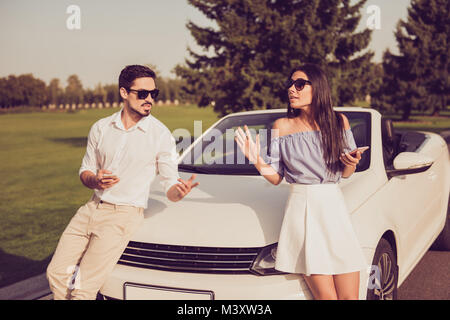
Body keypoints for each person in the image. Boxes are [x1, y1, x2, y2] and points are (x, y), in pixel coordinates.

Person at [46, 65, 199, 300]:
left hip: (122, 216)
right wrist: (95, 180)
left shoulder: (161, 135)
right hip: (90, 209)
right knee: (56, 273)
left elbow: (170, 185)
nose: (149, 99)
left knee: (83, 290)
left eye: (153, 94)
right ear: (124, 93)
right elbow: (85, 170)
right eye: (142, 94)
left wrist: (179, 191)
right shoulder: (101, 128)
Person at [235, 63, 368, 300]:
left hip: (334, 207)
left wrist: (351, 161)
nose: (292, 90)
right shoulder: (282, 126)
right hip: (303, 209)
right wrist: (256, 159)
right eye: (290, 85)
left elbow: (346, 174)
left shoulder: (339, 122)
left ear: (317, 87)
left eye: (299, 84)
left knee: (350, 298)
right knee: (327, 299)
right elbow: (276, 178)